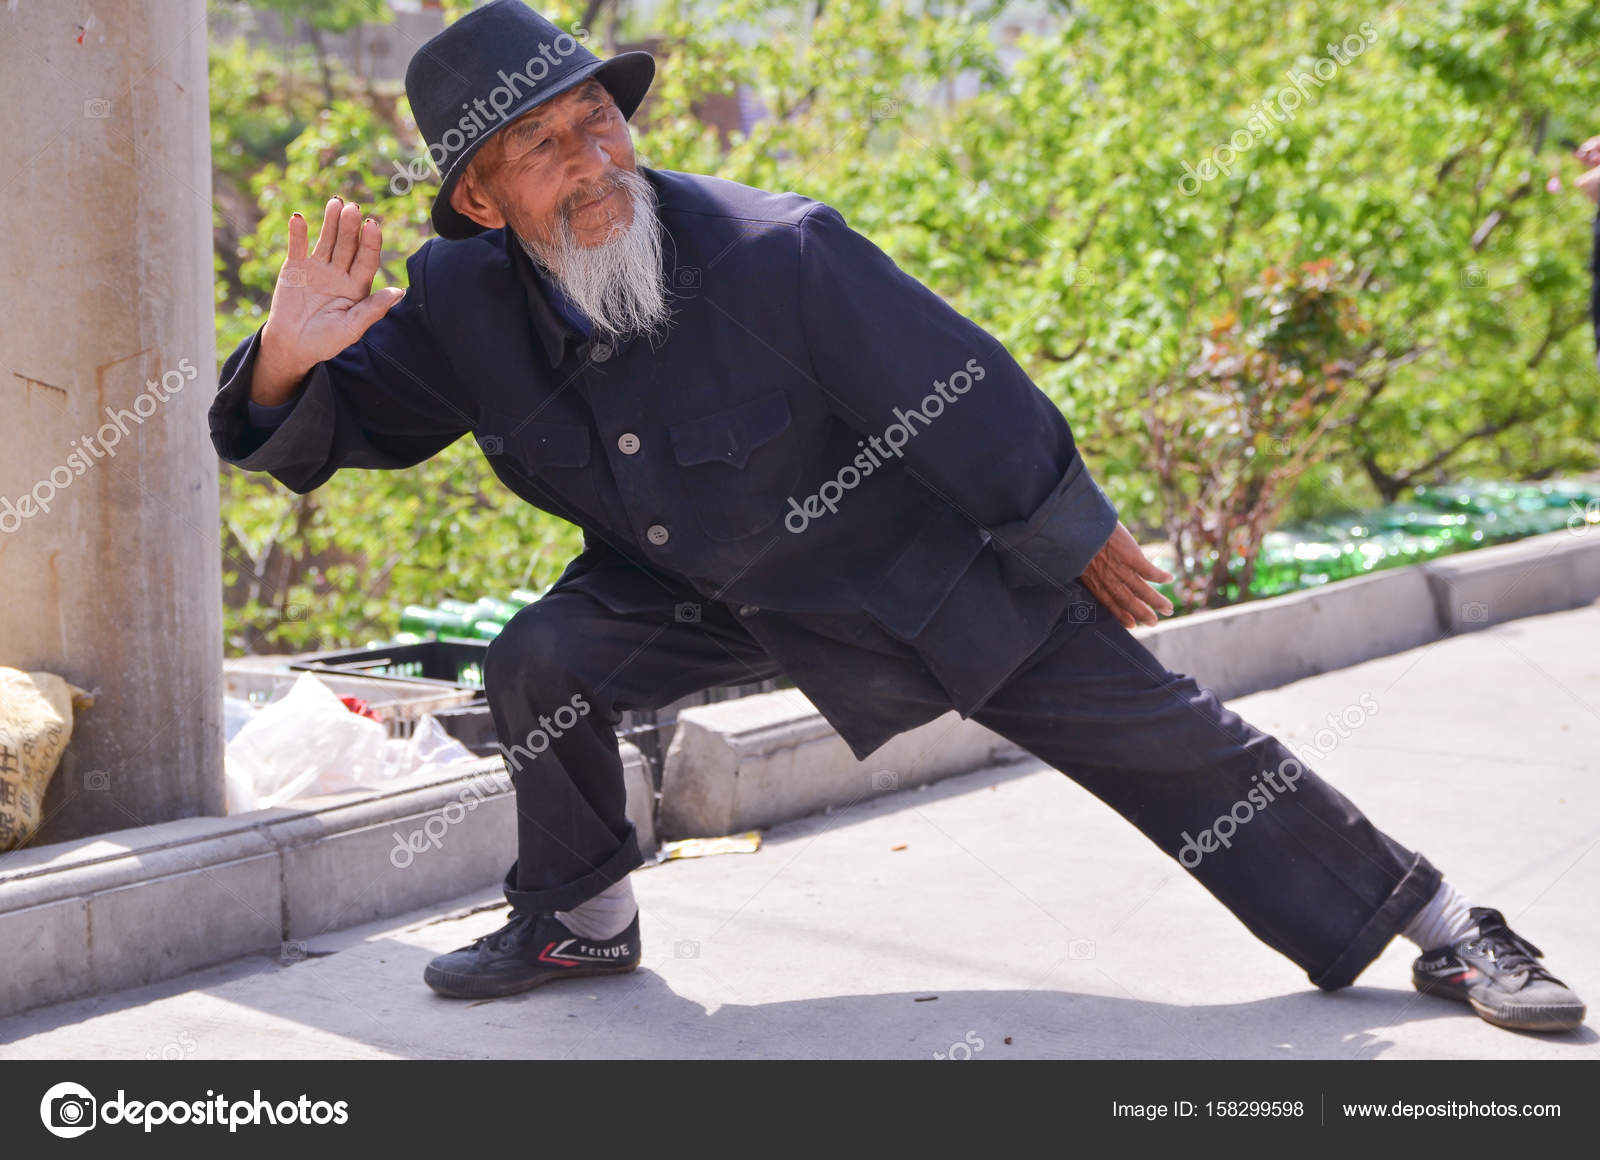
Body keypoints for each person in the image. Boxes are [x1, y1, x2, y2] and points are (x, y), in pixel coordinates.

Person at [210, 1, 1585, 1032]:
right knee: (540, 661)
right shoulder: (459, 303)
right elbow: (345, 424)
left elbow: (957, 384)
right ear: (478, 195)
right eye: (543, 146)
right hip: (691, 592)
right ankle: (580, 917)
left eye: (598, 123)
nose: (591, 161)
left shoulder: (776, 250)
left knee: (1170, 743)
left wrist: (1070, 535)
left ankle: (1447, 922)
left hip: (914, 572)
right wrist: (281, 358)